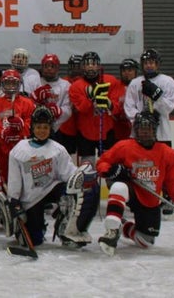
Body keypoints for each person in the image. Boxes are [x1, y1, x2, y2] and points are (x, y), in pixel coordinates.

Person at [96, 111, 174, 256]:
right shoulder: (124, 147)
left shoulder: (168, 154)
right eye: (142, 128)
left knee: (146, 241)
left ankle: (123, 225)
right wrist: (111, 169)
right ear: (136, 130)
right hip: (130, 191)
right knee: (119, 186)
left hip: (149, 199)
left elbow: (173, 183)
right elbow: (101, 163)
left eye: (148, 128)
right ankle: (112, 230)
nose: (145, 132)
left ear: (155, 131)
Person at [7, 107, 94, 248]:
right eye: (39, 127)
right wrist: (14, 201)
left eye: (46, 127)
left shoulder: (57, 149)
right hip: (31, 198)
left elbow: (70, 176)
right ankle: (33, 227)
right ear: (32, 127)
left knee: (73, 191)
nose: (42, 130)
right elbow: (14, 180)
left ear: (51, 128)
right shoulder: (19, 150)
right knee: (35, 240)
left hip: (51, 189)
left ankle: (65, 226)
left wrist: (83, 178)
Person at [68, 51, 120, 226]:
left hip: (107, 131)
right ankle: (88, 201)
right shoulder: (76, 86)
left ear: (99, 65)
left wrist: (108, 103)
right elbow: (80, 109)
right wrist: (92, 99)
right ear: (83, 66)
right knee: (87, 169)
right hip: (86, 133)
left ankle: (115, 201)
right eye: (87, 63)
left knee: (110, 168)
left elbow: (118, 106)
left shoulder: (111, 81)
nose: (90, 66)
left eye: (93, 63)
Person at [0, 69, 34, 183]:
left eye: (14, 83)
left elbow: (32, 123)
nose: (11, 86)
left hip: (22, 146)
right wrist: (1, 133)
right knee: (2, 175)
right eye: (8, 83)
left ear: (19, 84)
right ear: (3, 84)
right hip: (1, 148)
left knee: (23, 175)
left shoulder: (27, 103)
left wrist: (21, 128)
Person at [124, 49, 174, 145]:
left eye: (151, 63)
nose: (148, 65)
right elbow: (129, 106)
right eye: (146, 63)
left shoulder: (168, 81)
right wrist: (139, 117)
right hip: (139, 133)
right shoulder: (135, 83)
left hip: (161, 134)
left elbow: (169, 107)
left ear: (157, 64)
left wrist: (157, 97)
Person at [31, 54, 72, 135]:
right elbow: (26, 105)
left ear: (58, 68)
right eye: (46, 66)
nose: (49, 69)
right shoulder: (35, 82)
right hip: (36, 126)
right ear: (42, 67)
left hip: (57, 128)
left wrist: (59, 111)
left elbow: (68, 109)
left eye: (52, 66)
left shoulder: (66, 85)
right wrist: (35, 100)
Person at [113, 58, 139, 141]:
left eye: (130, 70)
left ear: (135, 72)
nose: (126, 73)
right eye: (124, 70)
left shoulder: (141, 86)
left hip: (136, 127)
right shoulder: (115, 86)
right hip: (118, 129)